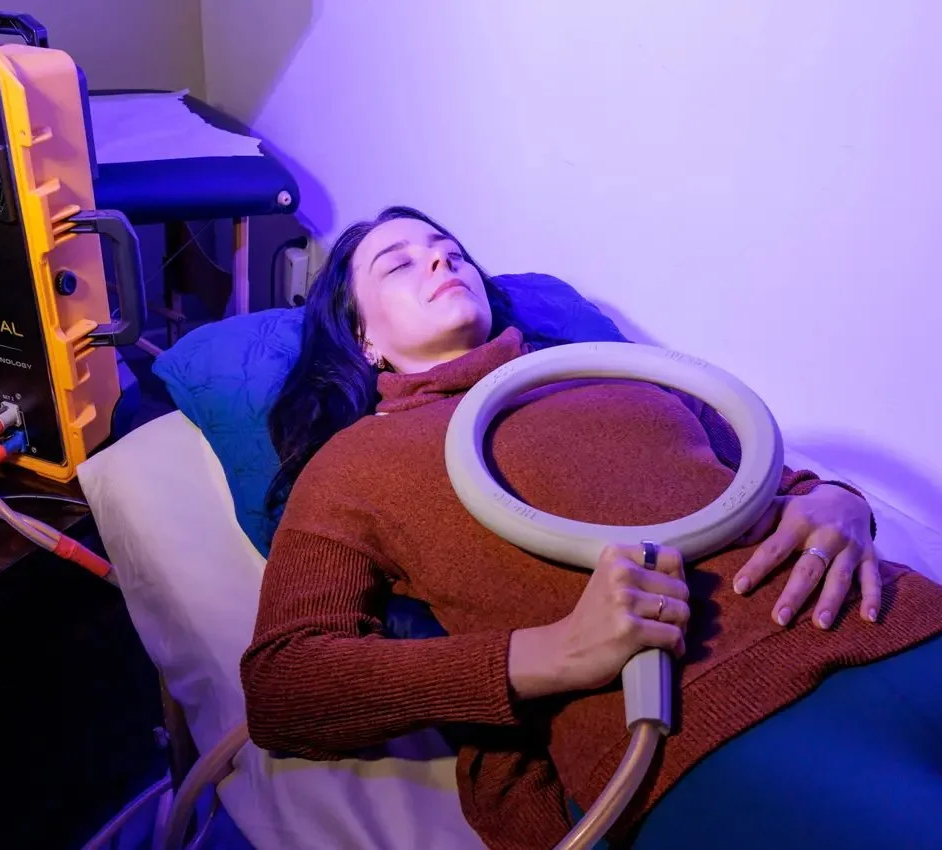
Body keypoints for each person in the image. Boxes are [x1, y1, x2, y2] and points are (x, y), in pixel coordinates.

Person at [239, 205, 942, 850]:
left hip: (894, 619)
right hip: (709, 723)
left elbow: (766, 478)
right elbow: (286, 684)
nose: (441, 261)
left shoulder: (622, 378)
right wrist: (552, 652)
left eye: (451, 251)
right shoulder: (356, 461)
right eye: (398, 262)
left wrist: (837, 500)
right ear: (362, 339)